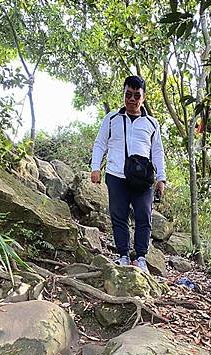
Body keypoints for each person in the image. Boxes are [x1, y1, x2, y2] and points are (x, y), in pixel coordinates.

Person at [90, 75, 166, 274]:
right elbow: (100, 144)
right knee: (119, 216)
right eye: (128, 95)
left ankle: (140, 257)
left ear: (143, 97)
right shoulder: (112, 119)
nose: (132, 99)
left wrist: (161, 178)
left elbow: (157, 151)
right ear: (123, 94)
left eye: (137, 95)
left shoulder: (152, 123)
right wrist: (95, 167)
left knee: (143, 216)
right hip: (116, 175)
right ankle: (123, 256)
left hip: (142, 179)